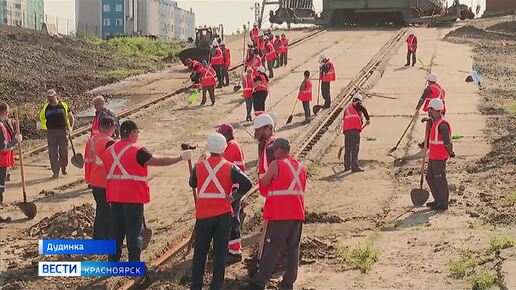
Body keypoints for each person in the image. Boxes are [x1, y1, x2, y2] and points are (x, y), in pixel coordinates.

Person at [104, 120, 192, 262]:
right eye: (137, 132)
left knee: (116, 232)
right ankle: (134, 263)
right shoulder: (138, 151)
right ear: (132, 132)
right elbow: (159, 160)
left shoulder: (109, 151)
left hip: (114, 197)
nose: (138, 135)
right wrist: (180, 157)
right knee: (133, 232)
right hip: (133, 197)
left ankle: (112, 262)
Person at [189, 133, 252, 290]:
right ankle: (216, 286)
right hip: (223, 215)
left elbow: (192, 183)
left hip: (203, 215)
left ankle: (196, 286)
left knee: (200, 253)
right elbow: (247, 183)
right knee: (219, 254)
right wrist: (234, 196)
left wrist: (198, 164)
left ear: (209, 148)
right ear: (224, 148)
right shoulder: (230, 167)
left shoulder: (200, 166)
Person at [248, 138, 306, 290]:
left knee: (272, 248)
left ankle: (259, 282)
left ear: (281, 150)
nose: (273, 153)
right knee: (293, 249)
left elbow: (265, 182)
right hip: (297, 213)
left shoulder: (276, 164)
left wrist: (261, 175)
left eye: (274, 150)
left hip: (280, 214)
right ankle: (288, 283)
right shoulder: (301, 167)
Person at [216, 124, 247, 263]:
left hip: (234, 189)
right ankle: (230, 248)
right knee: (231, 218)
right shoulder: (234, 145)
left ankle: (234, 251)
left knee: (232, 219)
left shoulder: (231, 147)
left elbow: (222, 165)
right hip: (234, 188)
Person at [84, 116, 117, 239]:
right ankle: (99, 240)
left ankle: (106, 237)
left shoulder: (91, 140)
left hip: (94, 180)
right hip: (106, 182)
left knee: (103, 211)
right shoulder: (109, 142)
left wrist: (88, 178)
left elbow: (87, 161)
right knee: (104, 213)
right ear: (111, 127)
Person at [424, 99, 454, 211]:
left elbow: (447, 142)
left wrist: (451, 152)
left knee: (440, 179)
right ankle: (438, 200)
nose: (428, 111)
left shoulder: (443, 125)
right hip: (433, 156)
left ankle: (443, 203)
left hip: (439, 157)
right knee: (430, 178)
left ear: (434, 110)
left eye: (430, 110)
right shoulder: (435, 122)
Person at [38, 89, 75, 178]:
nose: (50, 98)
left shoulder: (63, 105)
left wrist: (71, 127)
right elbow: (39, 118)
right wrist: (40, 125)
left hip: (62, 131)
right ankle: (55, 171)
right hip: (51, 132)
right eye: (48, 97)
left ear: (55, 96)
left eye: (51, 96)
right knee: (52, 152)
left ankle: (63, 166)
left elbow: (71, 117)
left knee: (64, 151)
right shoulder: (46, 107)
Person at [0, 102, 22, 223]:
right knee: (0, 187)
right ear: (5, 113)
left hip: (3, 161)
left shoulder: (3, 125)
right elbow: (3, 146)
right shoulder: (0, 127)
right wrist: (15, 141)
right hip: (1, 162)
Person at [342, 93, 370, 173]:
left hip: (347, 131)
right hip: (354, 130)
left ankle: (347, 166)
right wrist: (367, 119)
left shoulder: (347, 108)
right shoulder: (357, 104)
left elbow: (346, 119)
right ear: (359, 100)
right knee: (355, 148)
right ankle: (355, 166)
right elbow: (364, 110)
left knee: (348, 148)